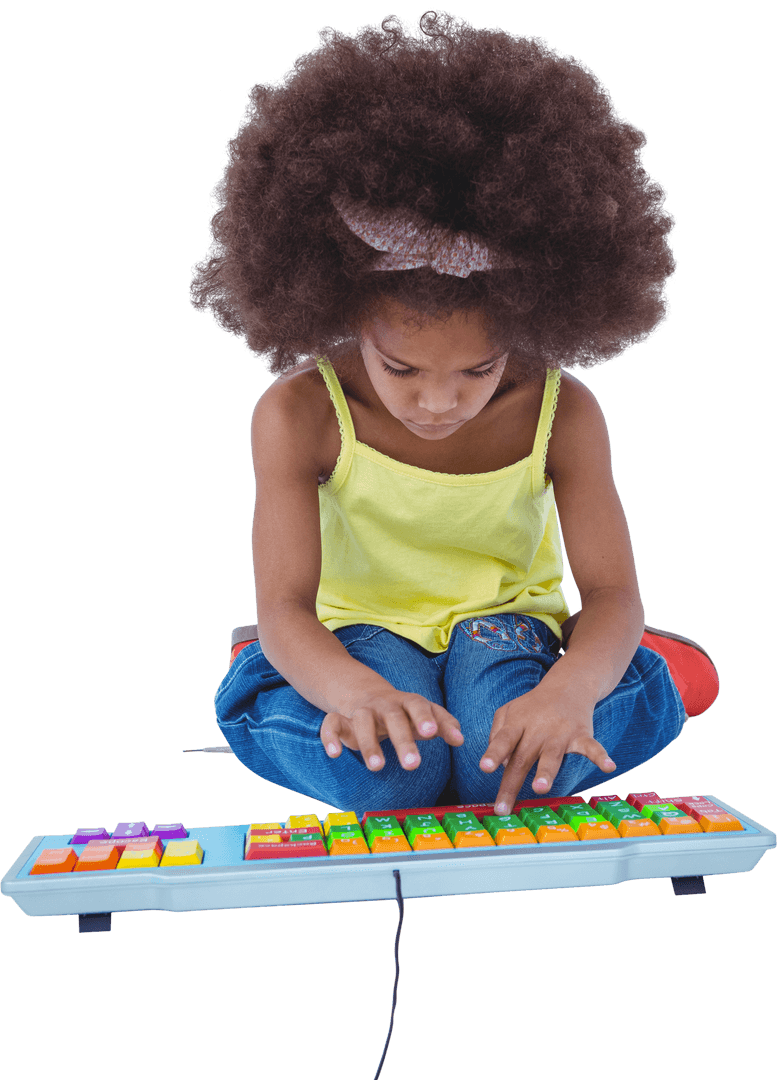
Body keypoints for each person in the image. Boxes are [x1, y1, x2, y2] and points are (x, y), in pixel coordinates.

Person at [189, 11, 719, 821]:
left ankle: (652, 676)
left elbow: (610, 592)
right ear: (341, 311)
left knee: (499, 778)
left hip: (505, 633)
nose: (439, 400)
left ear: (528, 323)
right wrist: (353, 690)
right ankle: (260, 686)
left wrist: (572, 690)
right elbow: (286, 608)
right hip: (352, 637)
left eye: (480, 368)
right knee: (390, 782)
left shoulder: (561, 409)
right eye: (400, 367)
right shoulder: (300, 413)